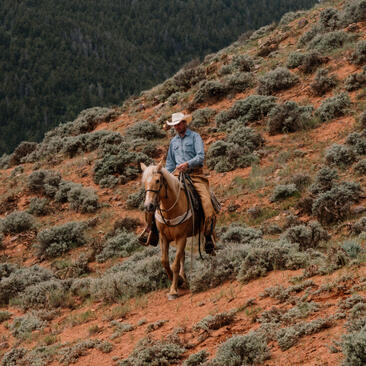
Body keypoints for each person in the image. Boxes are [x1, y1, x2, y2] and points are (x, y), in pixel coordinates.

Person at [140, 112, 217, 254]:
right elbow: (169, 163)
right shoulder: (173, 142)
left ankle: (208, 236)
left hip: (195, 176)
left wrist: (188, 164)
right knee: (154, 198)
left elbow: (200, 156)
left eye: (178, 124)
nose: (176, 126)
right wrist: (165, 175)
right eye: (174, 125)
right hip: (176, 176)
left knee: (207, 204)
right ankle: (152, 231)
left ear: (184, 123)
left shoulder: (195, 137)